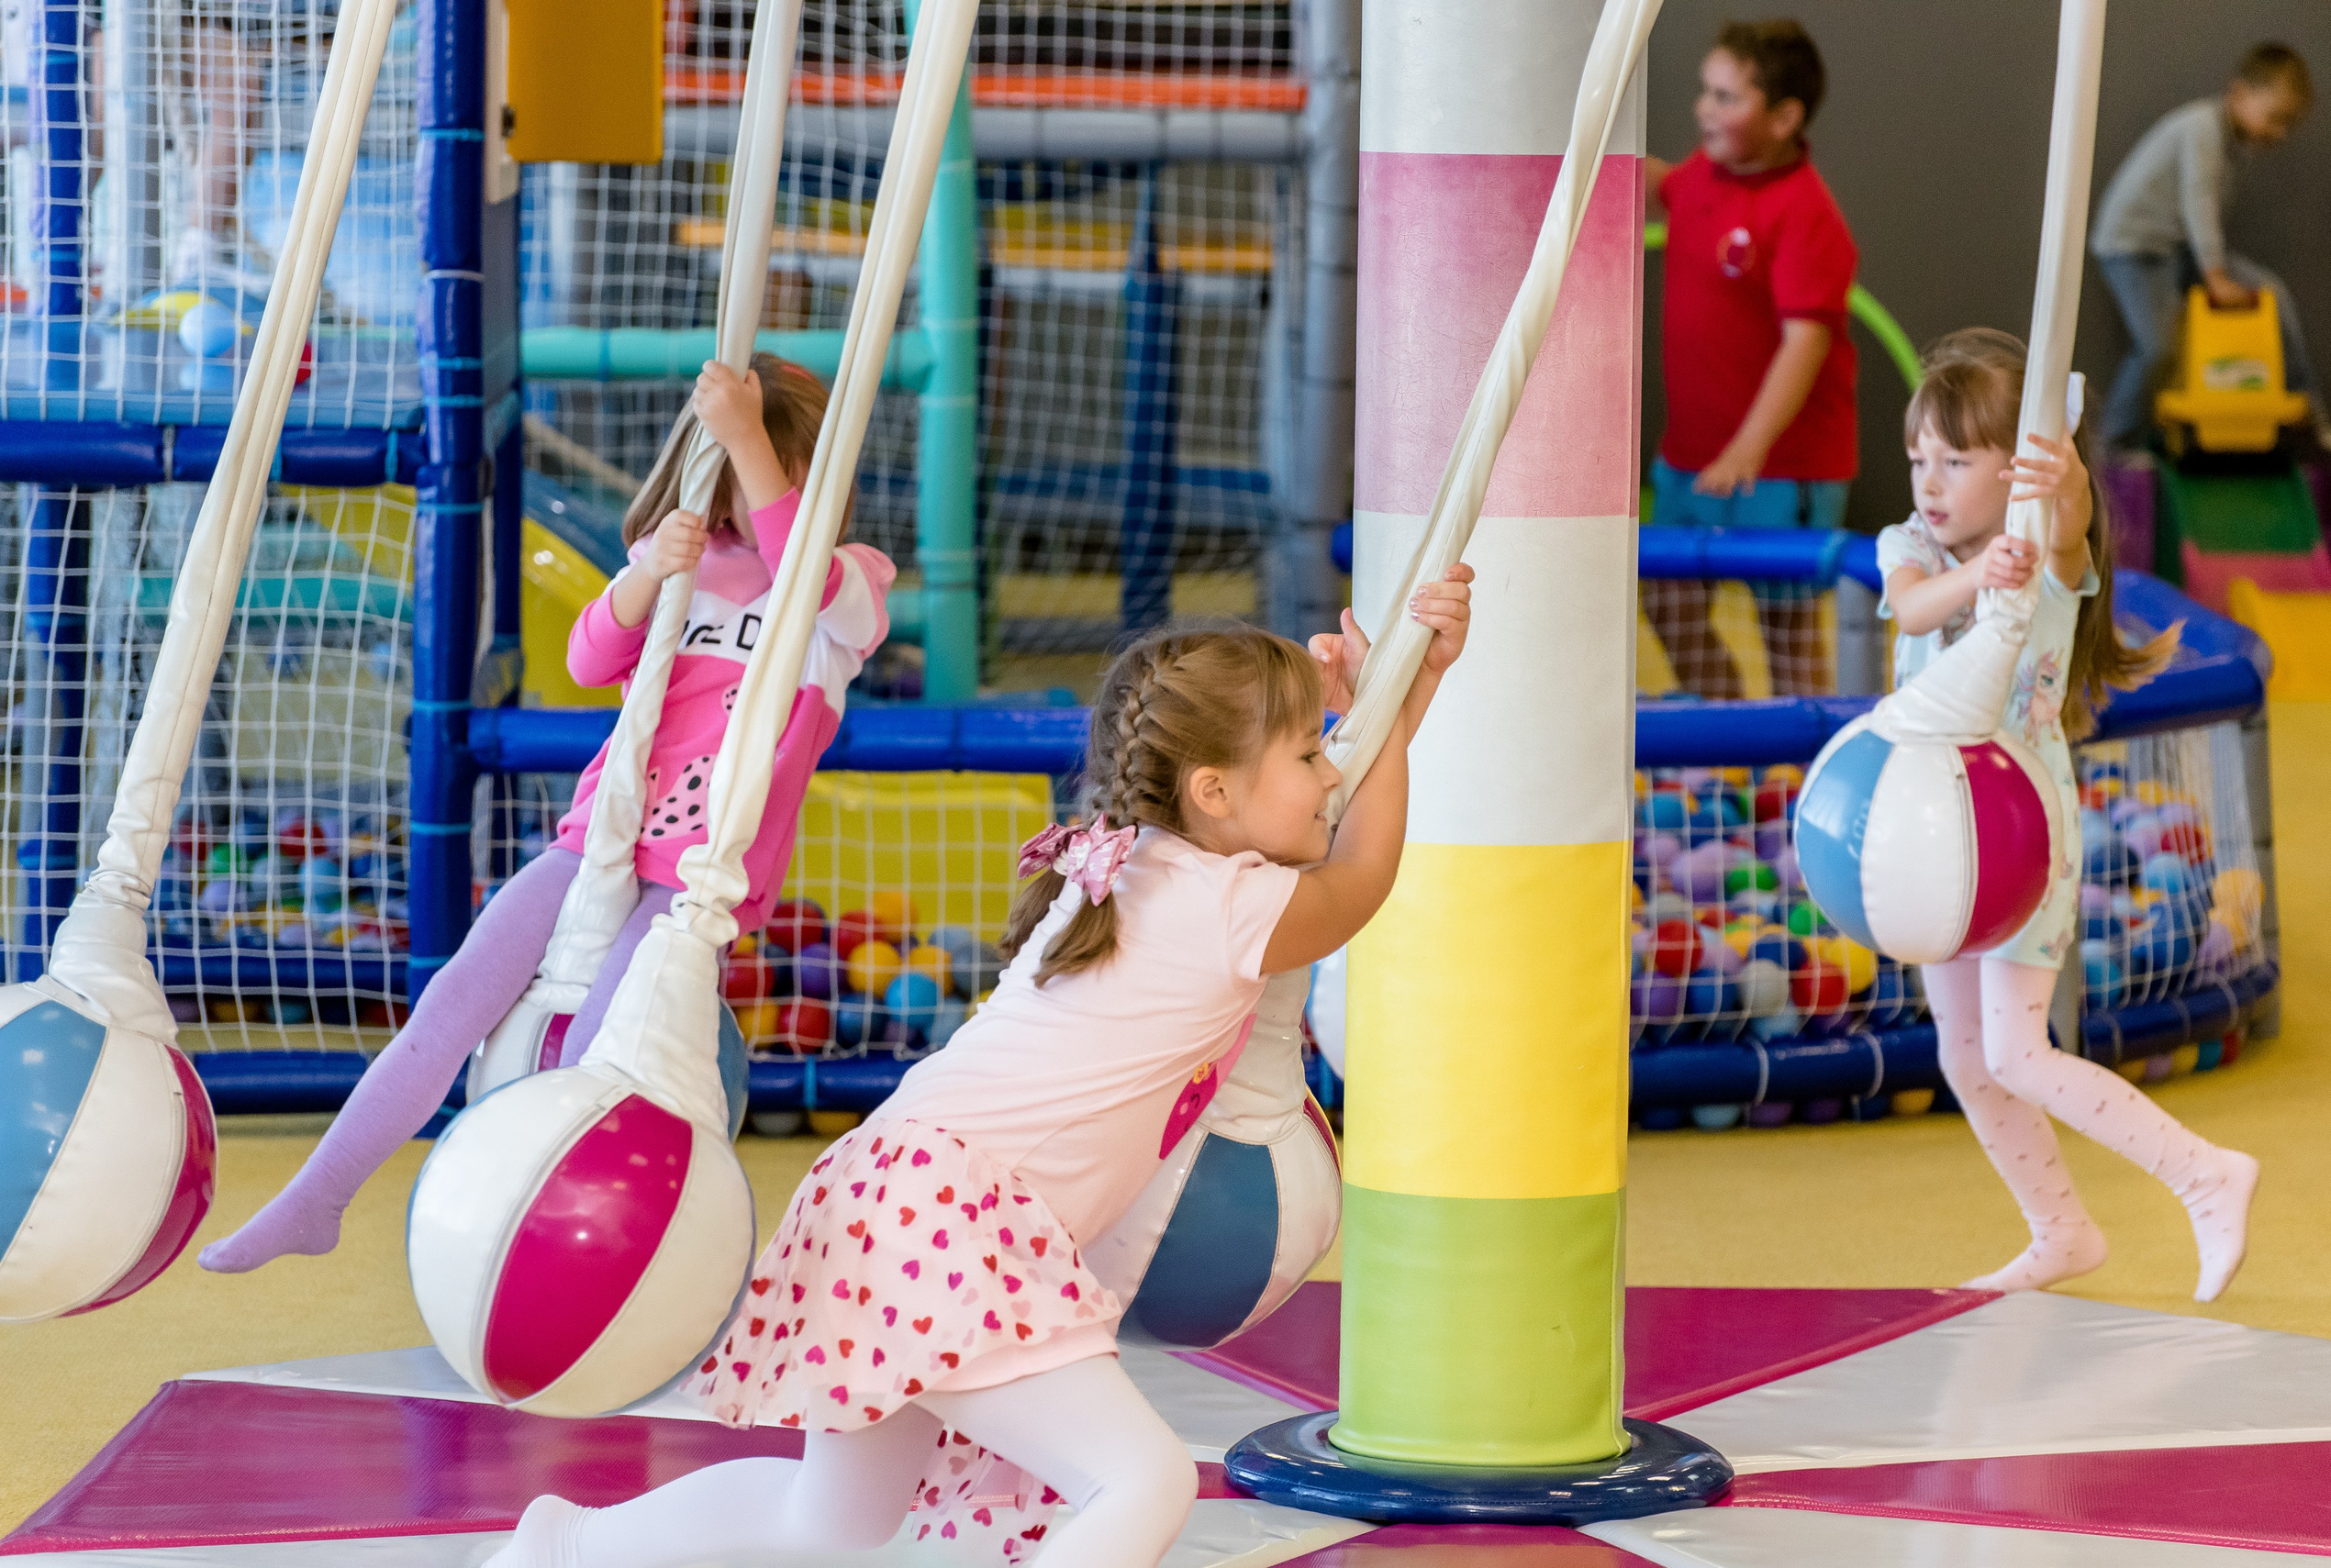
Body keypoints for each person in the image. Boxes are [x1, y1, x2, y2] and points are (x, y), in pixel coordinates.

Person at [484, 578, 1475, 1567]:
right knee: (1143, 1479)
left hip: (885, 1190)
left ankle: (565, 1542)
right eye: (1309, 753)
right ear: (1213, 791)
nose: (1329, 773)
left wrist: (1400, 693)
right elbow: (1359, 875)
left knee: (833, 1516)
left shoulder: (1136, 864)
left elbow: (1328, 813)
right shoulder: (1223, 905)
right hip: (947, 1214)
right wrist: (1388, 708)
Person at [199, 356, 893, 1273]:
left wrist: (747, 435)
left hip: (703, 867)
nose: (749, 486)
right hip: (601, 831)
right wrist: (647, 575)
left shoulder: (844, 582)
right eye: (731, 464)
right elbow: (588, 658)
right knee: (454, 998)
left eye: (765, 466)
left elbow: (807, 569)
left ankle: (572, 1245)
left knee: (609, 1033)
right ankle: (318, 1194)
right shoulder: (685, 563)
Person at [1880, 328, 2257, 1301]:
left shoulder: (2050, 562)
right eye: (1920, 457)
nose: (1929, 479)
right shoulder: (1913, 547)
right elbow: (1914, 609)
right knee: (1964, 1053)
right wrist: (1980, 572)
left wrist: (2064, 482)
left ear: (2012, 468)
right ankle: (2060, 1228)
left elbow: (2070, 523)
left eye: (1956, 460)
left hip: (2019, 830)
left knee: (2016, 1048)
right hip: (1933, 829)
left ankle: (2202, 1171)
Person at [1644, 17, 1859, 700]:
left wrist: (1749, 447)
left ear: (1784, 116)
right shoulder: (1704, 174)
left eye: (1726, 97)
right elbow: (1661, 184)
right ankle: (1732, 733)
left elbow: (1807, 342)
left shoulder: (1805, 213)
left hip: (1780, 465)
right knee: (1667, 602)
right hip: (1689, 456)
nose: (1704, 107)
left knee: (1786, 626)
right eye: (1706, 91)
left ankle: (1796, 766)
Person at [2092, 42, 2331, 453]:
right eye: (2275, 119)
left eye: (2288, 126)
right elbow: (2198, 203)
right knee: (2158, 347)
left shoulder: (2227, 141)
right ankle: (2111, 443)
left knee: (2270, 292)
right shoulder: (2202, 127)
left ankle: (2305, 409)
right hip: (2134, 246)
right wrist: (2216, 276)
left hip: (2176, 248)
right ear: (2240, 93)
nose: (2278, 134)